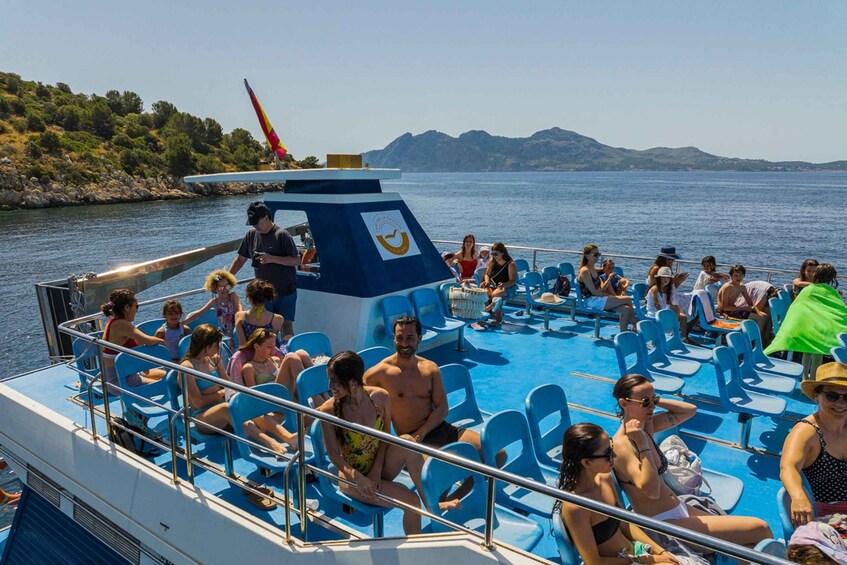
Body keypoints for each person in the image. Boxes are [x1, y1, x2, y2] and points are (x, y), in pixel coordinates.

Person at [612, 374, 772, 549]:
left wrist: (655, 402)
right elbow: (652, 492)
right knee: (760, 528)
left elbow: (689, 410)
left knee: (747, 545)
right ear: (624, 403)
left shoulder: (646, 425)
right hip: (663, 524)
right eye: (644, 402)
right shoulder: (623, 445)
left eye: (654, 399)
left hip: (678, 508)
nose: (651, 406)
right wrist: (643, 444)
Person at [318, 351, 434, 535]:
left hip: (379, 468)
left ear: (353, 382)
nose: (329, 386)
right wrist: (360, 478)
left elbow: (385, 436)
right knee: (411, 502)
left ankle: (432, 505)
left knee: (407, 441)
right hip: (352, 479)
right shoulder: (328, 411)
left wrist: (376, 470)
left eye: (334, 381)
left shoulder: (380, 397)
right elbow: (333, 455)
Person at [556, 423, 679, 565]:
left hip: (634, 552)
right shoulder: (576, 507)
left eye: (612, 448)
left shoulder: (605, 479)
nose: (614, 456)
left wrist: (660, 551)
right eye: (607, 453)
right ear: (587, 462)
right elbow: (593, 562)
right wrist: (646, 559)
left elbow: (625, 523)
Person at [780, 362, 847, 525]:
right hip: (828, 515)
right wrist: (798, 497)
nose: (841, 403)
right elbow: (787, 467)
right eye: (832, 396)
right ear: (817, 396)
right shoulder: (807, 431)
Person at [229, 201, 299, 340]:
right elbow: (240, 259)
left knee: (286, 325)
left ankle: (287, 354)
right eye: (252, 222)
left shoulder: (282, 235)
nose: (254, 225)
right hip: (263, 295)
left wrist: (272, 258)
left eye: (256, 222)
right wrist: (227, 278)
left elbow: (297, 260)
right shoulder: (251, 235)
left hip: (285, 292)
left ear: (266, 217)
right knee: (264, 329)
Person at [100, 289, 166, 389]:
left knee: (169, 375)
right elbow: (148, 341)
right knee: (169, 383)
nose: (137, 310)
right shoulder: (122, 325)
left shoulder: (114, 321)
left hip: (129, 374)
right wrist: (165, 343)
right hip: (119, 381)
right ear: (127, 307)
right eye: (136, 306)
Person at [178, 324, 232, 434]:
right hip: (202, 416)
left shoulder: (215, 360)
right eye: (215, 346)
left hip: (222, 405)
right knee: (227, 409)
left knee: (249, 407)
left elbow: (229, 387)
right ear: (204, 346)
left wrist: (227, 393)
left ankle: (273, 445)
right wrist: (222, 393)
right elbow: (199, 403)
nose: (218, 349)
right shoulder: (187, 368)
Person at [239, 327, 315, 403]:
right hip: (273, 402)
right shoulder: (249, 368)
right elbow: (253, 397)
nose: (273, 350)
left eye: (274, 346)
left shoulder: (276, 360)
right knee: (290, 357)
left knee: (301, 353)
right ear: (257, 347)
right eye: (269, 347)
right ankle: (316, 400)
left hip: (289, 394)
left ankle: (322, 395)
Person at [578, 244, 636, 333]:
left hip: (599, 299)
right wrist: (610, 296)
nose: (597, 257)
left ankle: (623, 334)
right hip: (592, 300)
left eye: (598, 254)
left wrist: (621, 278)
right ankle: (636, 325)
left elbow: (604, 270)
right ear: (587, 256)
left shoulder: (593, 268)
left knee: (626, 310)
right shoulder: (585, 271)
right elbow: (594, 292)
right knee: (627, 299)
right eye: (595, 254)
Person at [185, 270, 242, 340]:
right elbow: (200, 312)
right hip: (224, 334)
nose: (224, 290)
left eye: (227, 286)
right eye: (221, 287)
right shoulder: (214, 302)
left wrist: (239, 320)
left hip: (237, 330)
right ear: (214, 288)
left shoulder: (233, 296)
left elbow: (239, 307)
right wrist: (183, 323)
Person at [716, 265, 769, 338]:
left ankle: (764, 338)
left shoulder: (741, 287)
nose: (738, 277)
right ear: (731, 276)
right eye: (736, 275)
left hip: (734, 309)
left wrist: (758, 311)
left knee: (765, 316)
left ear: (744, 276)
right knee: (760, 319)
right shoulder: (727, 287)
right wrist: (744, 308)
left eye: (740, 275)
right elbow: (725, 308)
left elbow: (750, 303)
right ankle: (754, 341)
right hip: (725, 312)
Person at [478, 242, 517, 327]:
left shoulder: (511, 264)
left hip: (508, 287)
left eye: (496, 254)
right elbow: (487, 274)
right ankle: (486, 315)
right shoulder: (492, 261)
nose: (494, 256)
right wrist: (487, 281)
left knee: (495, 294)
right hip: (493, 285)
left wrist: (503, 285)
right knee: (485, 293)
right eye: (492, 254)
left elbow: (513, 281)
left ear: (502, 253)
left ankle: (496, 317)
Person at [234, 280, 285, 347]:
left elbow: (243, 345)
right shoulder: (278, 319)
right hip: (272, 355)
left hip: (250, 356)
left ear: (249, 298)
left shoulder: (239, 316)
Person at [646, 267, 689, 339]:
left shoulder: (668, 289)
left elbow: (670, 303)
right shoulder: (655, 288)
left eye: (668, 278)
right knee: (674, 309)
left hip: (663, 311)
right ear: (659, 278)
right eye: (663, 278)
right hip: (654, 312)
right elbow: (657, 305)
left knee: (683, 316)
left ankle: (683, 337)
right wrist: (665, 315)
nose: (666, 280)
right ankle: (670, 330)